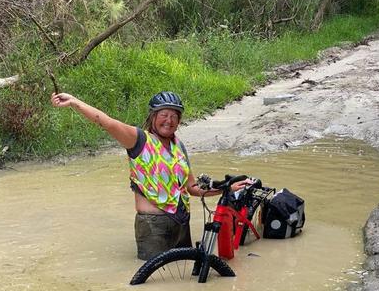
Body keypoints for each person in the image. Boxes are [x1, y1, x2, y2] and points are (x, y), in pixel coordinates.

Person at [51, 91, 249, 260]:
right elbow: (107, 122)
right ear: (153, 117)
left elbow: (191, 188)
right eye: (164, 114)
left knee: (182, 276)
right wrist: (75, 102)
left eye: (174, 116)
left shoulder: (178, 147)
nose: (169, 120)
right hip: (153, 226)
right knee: (155, 283)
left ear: (179, 121)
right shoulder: (139, 140)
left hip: (181, 223)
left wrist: (226, 189)